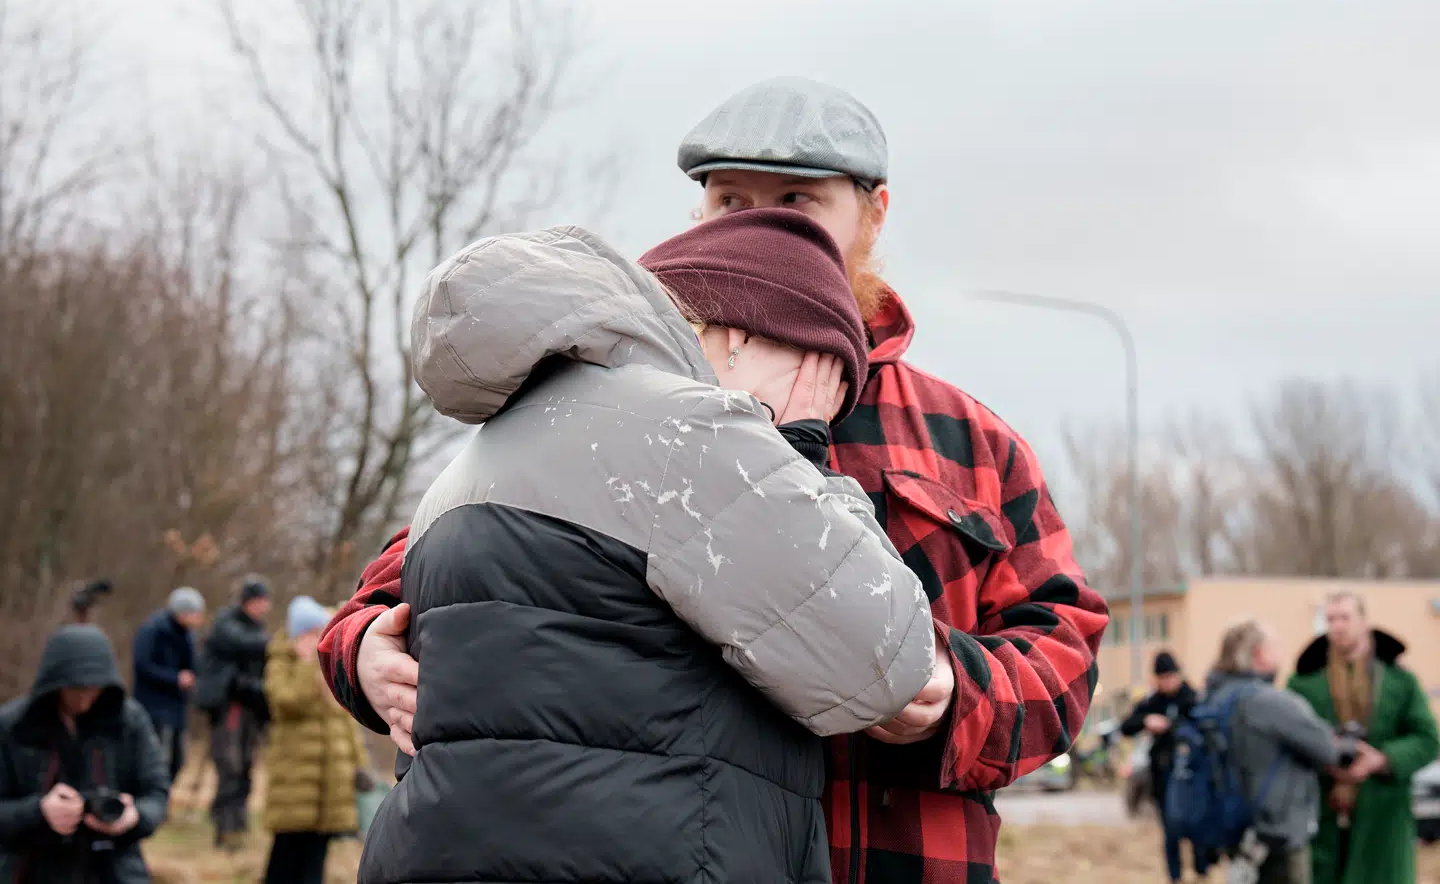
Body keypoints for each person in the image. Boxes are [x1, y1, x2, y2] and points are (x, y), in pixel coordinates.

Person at [321, 77, 1110, 884]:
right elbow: (419, 574)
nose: (764, 227)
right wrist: (364, 655)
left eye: (799, 203)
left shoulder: (970, 442)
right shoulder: (608, 408)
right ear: (697, 216)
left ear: (874, 215)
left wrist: (952, 698)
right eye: (733, 200)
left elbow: (1065, 653)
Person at [356, 208, 935, 883]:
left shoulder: (477, 462)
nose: (826, 401)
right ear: (743, 335)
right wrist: (801, 453)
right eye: (823, 371)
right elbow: (882, 661)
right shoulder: (691, 433)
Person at [1206, 619, 1385, 884]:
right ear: (1260, 654)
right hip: (1278, 834)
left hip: (1235, 831)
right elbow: (1327, 749)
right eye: (1274, 646)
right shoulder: (1272, 702)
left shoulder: (1217, 698)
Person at [1287, 592, 1439, 884]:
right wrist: (1323, 756)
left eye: (1345, 617)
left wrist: (1382, 760)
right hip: (1322, 818)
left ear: (1364, 622)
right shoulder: (1303, 683)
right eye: (1330, 619)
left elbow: (1428, 739)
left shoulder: (1401, 682)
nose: (1337, 626)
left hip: (1383, 819)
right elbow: (1288, 740)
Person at [0, 624, 170, 883]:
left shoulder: (130, 722)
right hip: (30, 867)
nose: (85, 699)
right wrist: (38, 811)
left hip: (114, 867)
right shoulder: (13, 727)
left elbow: (156, 791)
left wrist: (133, 817)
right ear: (55, 683)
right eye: (76, 689)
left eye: (94, 688)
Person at [262, 597, 369, 884]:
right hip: (295, 780)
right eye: (310, 633)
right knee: (285, 856)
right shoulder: (281, 661)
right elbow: (286, 702)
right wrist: (307, 665)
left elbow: (346, 719)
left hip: (329, 781)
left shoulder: (332, 663)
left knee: (315, 861)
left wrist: (360, 764)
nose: (315, 639)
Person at [194, 575, 271, 849]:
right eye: (259, 601)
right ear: (247, 602)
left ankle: (237, 824)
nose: (264, 607)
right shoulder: (227, 624)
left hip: (250, 708)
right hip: (230, 706)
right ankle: (224, 828)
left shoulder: (255, 629)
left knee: (246, 766)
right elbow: (246, 644)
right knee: (230, 765)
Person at [1122, 650, 1209, 883]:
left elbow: (1203, 726)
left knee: (1197, 829)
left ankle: (1202, 873)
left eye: (1171, 676)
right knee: (1170, 830)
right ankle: (1175, 876)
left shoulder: (1193, 698)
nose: (1168, 682)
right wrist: (1145, 721)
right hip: (1163, 774)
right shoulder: (1153, 702)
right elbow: (1126, 726)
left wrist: (1171, 725)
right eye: (1163, 678)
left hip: (1192, 777)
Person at [132, 586, 206, 783]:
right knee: (156, 759)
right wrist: (175, 678)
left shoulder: (188, 636)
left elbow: (193, 665)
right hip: (153, 706)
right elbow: (143, 665)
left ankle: (163, 800)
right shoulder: (152, 630)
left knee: (177, 760)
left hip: (177, 707)